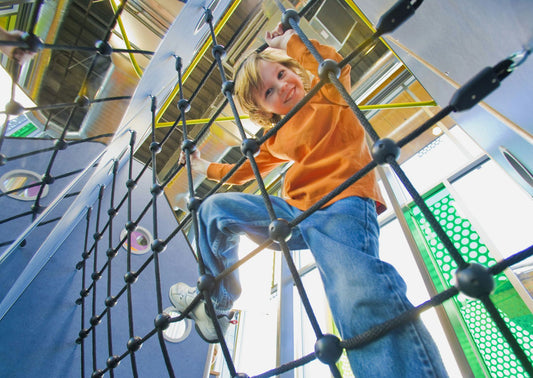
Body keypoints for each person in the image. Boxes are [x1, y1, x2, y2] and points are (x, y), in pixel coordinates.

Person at [170, 23, 448, 377]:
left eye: (283, 74)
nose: (283, 86)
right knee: (214, 210)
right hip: (294, 215)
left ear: (294, 69)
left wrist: (289, 41)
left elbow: (333, 63)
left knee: (355, 293)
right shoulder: (274, 136)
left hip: (342, 202)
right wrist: (202, 166)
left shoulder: (326, 92)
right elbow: (243, 171)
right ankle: (217, 307)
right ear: (265, 110)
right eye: (269, 91)